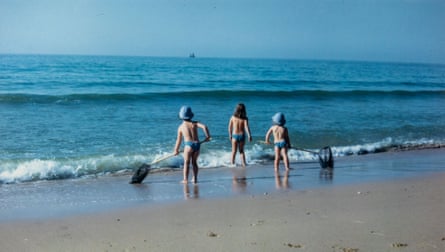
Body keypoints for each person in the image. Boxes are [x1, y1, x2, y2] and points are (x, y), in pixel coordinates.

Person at [174, 105, 211, 184]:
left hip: (188, 145)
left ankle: (185, 179)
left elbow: (179, 140)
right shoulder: (195, 123)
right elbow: (205, 127)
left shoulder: (181, 127)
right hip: (197, 145)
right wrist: (207, 136)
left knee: (186, 163)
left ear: (181, 116)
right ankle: (195, 178)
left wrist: (176, 150)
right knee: (194, 162)